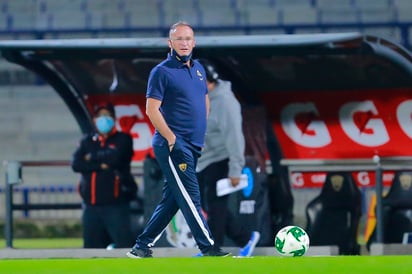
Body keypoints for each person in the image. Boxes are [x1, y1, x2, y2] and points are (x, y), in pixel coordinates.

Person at [126, 21, 230, 258]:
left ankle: (142, 246)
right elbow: (152, 110)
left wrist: (199, 135)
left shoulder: (199, 68)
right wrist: (173, 139)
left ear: (194, 42)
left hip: (192, 144)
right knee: (191, 195)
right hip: (173, 144)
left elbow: (203, 100)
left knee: (172, 199)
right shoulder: (161, 71)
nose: (184, 43)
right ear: (170, 43)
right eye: (179, 39)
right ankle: (208, 246)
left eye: (188, 39)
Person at [196, 59, 261, 257]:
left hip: (222, 158)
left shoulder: (224, 101)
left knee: (216, 205)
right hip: (204, 160)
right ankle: (246, 238)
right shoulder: (199, 97)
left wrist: (235, 168)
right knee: (209, 206)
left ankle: (212, 249)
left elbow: (234, 137)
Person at [71, 103, 137, 248]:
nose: (103, 119)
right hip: (91, 205)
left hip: (116, 204)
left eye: (107, 115)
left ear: (114, 118)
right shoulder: (87, 141)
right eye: (100, 116)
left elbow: (116, 159)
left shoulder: (123, 139)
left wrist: (90, 158)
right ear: (94, 120)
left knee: (124, 246)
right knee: (91, 248)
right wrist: (100, 165)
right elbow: (76, 164)